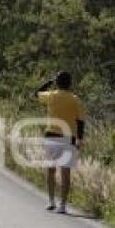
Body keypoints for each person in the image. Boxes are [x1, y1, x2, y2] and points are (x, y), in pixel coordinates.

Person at [35, 71, 86, 213]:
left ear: (57, 82)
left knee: (51, 170)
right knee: (65, 172)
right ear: (70, 84)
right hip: (69, 138)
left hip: (51, 136)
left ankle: (51, 201)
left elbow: (37, 93)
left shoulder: (51, 96)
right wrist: (80, 139)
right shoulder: (75, 99)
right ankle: (63, 205)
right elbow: (81, 121)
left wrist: (50, 81)